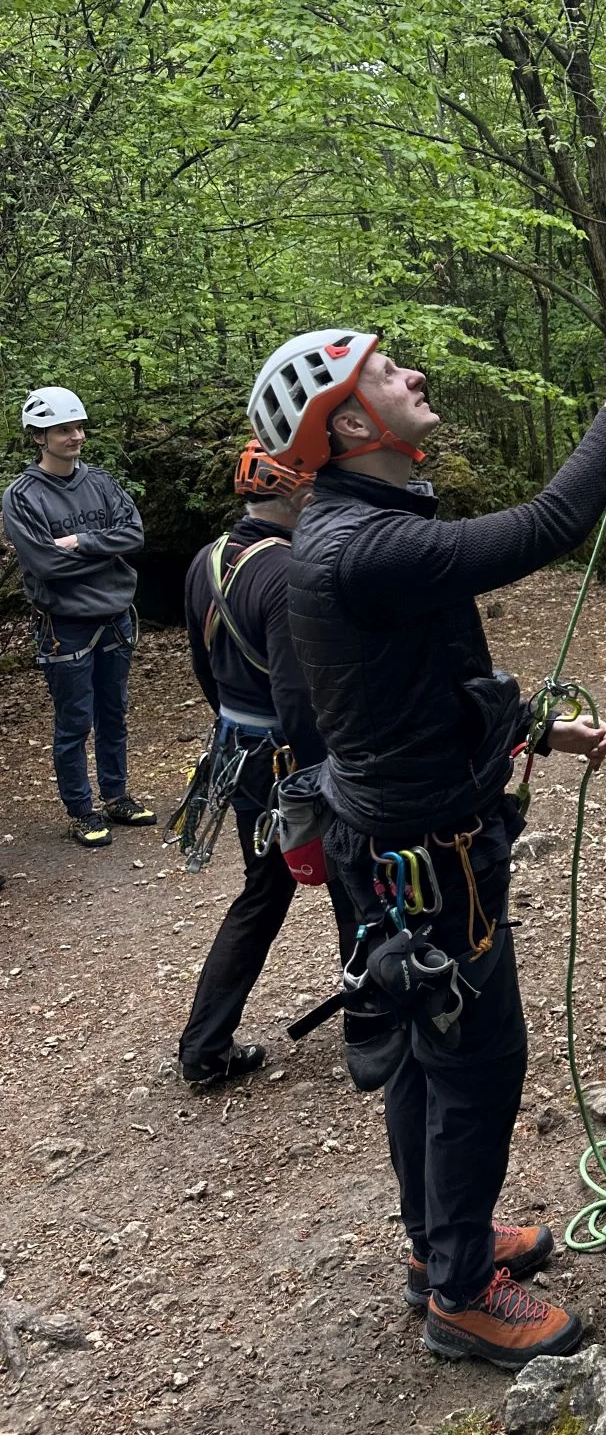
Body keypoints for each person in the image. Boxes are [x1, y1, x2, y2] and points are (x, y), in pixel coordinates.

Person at [249, 328, 606, 1370]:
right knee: (475, 1060)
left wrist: (530, 726)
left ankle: (445, 1242)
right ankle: (461, 1293)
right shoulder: (364, 545)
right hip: (425, 860)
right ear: (348, 423)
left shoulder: (369, 531)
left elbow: (404, 695)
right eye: (389, 376)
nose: (416, 378)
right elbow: (552, 524)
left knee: (424, 1054)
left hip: (393, 839)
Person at [177, 439, 359, 1086]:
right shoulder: (286, 573)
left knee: (264, 889)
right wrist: (327, 773)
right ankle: (371, 1029)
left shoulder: (208, 560)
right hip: (292, 759)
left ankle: (204, 1045)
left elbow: (205, 667)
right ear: (297, 493)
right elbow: (298, 693)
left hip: (239, 753)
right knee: (350, 884)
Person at [1, 387, 155, 848]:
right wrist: (103, 552)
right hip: (64, 625)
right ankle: (80, 809)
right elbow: (45, 565)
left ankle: (115, 795)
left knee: (114, 712)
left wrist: (81, 544)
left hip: (114, 618)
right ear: (38, 436)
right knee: (74, 721)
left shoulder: (101, 482)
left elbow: (134, 534)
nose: (76, 436)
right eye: (64, 429)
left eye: (78, 427)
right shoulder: (23, 496)